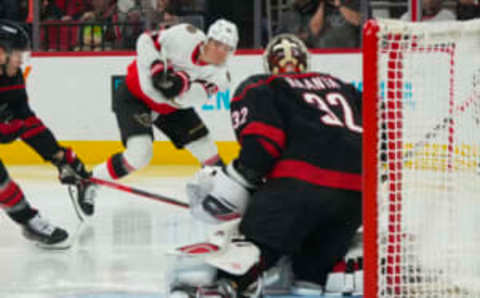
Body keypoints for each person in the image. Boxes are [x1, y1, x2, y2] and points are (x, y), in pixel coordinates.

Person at [171, 33, 363, 297]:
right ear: (306, 61)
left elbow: (262, 148)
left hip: (299, 187)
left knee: (252, 248)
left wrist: (233, 186)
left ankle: (228, 286)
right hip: (355, 196)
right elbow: (382, 142)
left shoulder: (262, 85)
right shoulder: (345, 87)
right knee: (309, 275)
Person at [70, 19, 238, 219]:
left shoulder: (220, 77)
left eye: (227, 49)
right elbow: (145, 40)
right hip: (134, 96)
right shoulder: (185, 34)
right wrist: (156, 66)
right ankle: (89, 181)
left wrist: (179, 82)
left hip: (171, 106)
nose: (221, 52)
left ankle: (224, 197)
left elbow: (180, 99)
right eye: (218, 45)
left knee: (207, 149)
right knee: (140, 154)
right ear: (207, 41)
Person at [0, 21, 90, 247]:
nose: (21, 60)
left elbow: (27, 120)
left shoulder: (12, 76)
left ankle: (28, 221)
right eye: (17, 54)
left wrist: (59, 157)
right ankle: (28, 220)